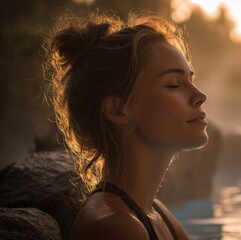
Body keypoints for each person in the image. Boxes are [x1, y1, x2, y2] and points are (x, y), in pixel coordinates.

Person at [44, 10, 208, 240]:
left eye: (191, 80)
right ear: (118, 110)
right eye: (173, 84)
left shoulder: (157, 213)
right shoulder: (115, 226)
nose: (200, 95)